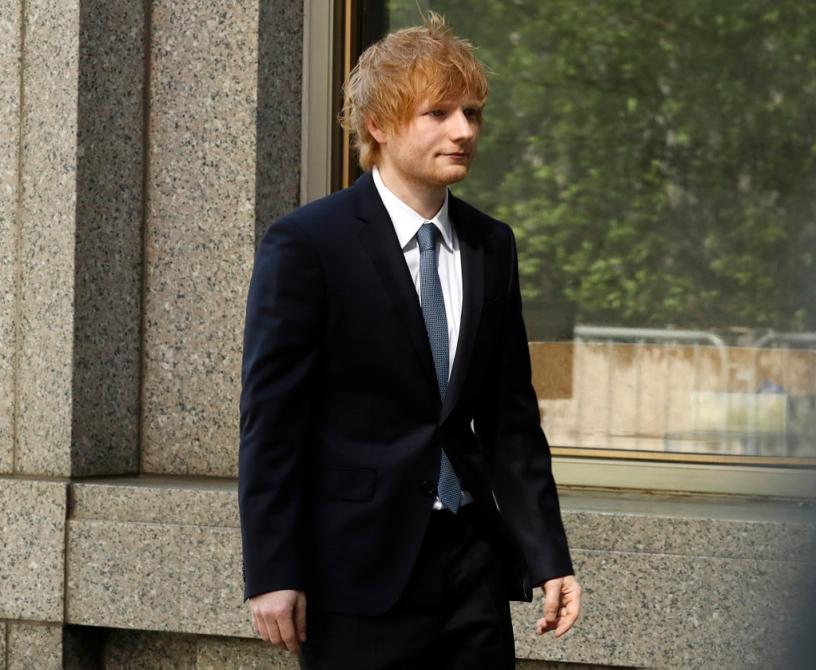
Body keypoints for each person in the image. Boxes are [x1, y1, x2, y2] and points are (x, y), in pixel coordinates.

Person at [238, 12, 581, 669]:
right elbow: (271, 423)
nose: (464, 130)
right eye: (439, 113)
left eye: (473, 113)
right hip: (352, 576)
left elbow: (510, 420)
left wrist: (548, 557)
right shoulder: (308, 245)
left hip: (472, 569)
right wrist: (272, 570)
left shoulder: (490, 245)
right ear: (378, 124)